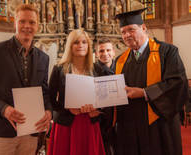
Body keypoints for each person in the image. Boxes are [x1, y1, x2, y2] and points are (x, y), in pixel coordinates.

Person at [113, 8, 189, 155]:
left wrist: (144, 93)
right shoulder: (119, 61)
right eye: (123, 32)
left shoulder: (167, 52)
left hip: (159, 126)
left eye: (131, 30)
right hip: (129, 128)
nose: (127, 35)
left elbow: (178, 83)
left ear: (143, 28)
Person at [0, 4, 52, 155]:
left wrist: (48, 111)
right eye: (22, 21)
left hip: (31, 133)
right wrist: (3, 109)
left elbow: (44, 93)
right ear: (15, 23)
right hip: (2, 132)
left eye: (32, 22)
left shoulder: (43, 58)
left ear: (38, 25)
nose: (27, 26)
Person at [48, 29, 105, 155]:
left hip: (89, 122)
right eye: (76, 42)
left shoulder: (97, 69)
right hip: (65, 123)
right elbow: (50, 99)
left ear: (88, 46)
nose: (80, 45)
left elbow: (103, 97)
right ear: (70, 46)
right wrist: (67, 109)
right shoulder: (59, 69)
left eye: (84, 42)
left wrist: (97, 110)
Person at [94, 38, 116, 155]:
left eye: (108, 50)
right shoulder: (91, 70)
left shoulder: (121, 68)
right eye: (101, 51)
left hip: (118, 118)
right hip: (98, 119)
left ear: (113, 52)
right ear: (96, 53)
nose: (105, 54)